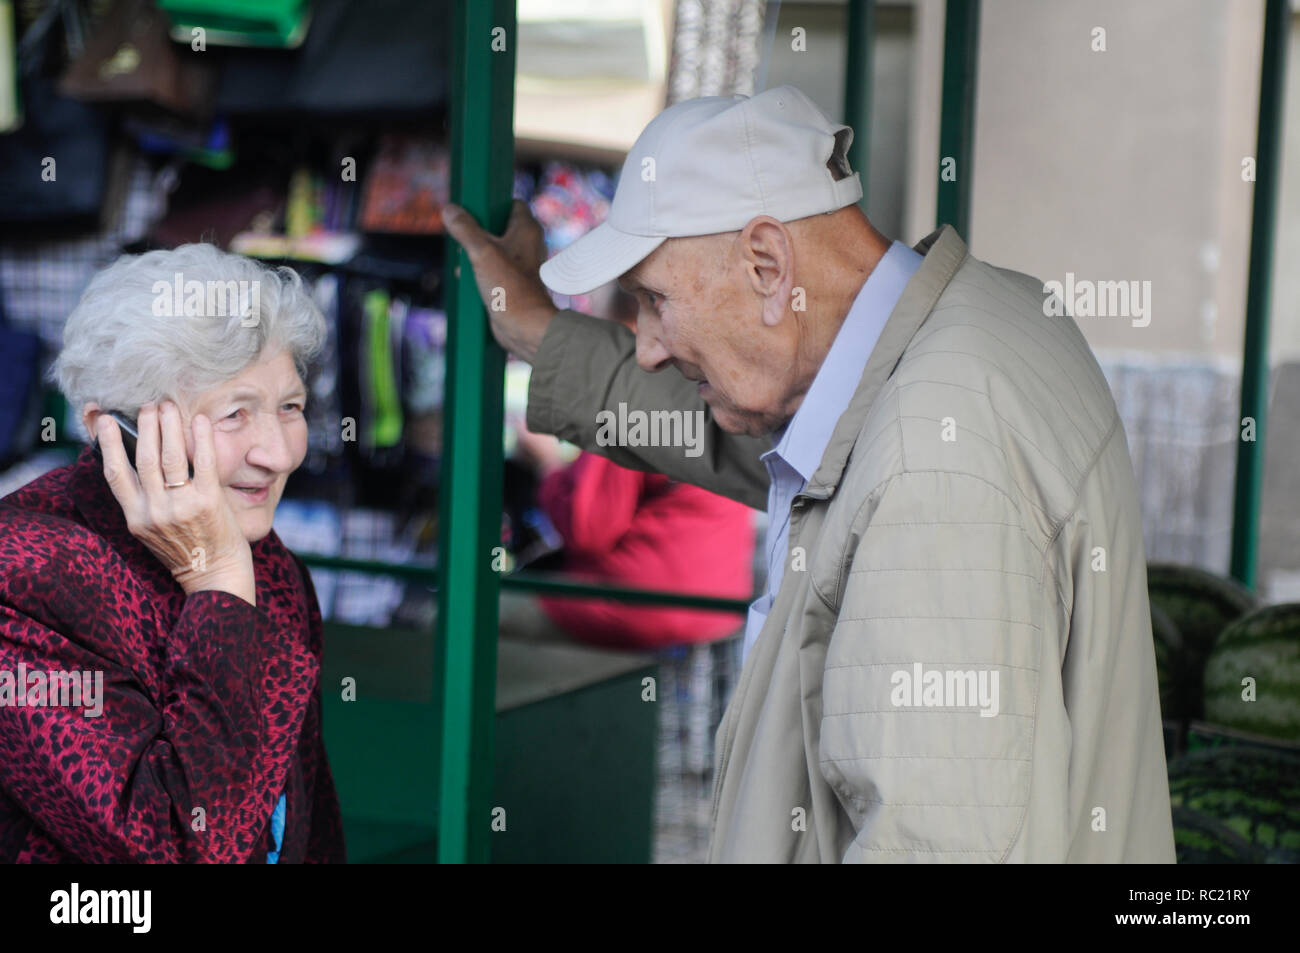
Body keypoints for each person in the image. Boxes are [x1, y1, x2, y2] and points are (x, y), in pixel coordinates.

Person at [442, 85, 1176, 863]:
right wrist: (542, 333)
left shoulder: (934, 458)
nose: (650, 343)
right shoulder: (963, 333)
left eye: (655, 299)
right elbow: (719, 425)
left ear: (767, 263)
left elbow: (934, 845)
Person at [0, 243, 345, 863]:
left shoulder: (271, 566)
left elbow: (309, 824)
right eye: (235, 414)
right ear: (117, 429)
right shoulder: (21, 576)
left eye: (289, 407)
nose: (280, 452)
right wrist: (216, 585)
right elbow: (177, 847)